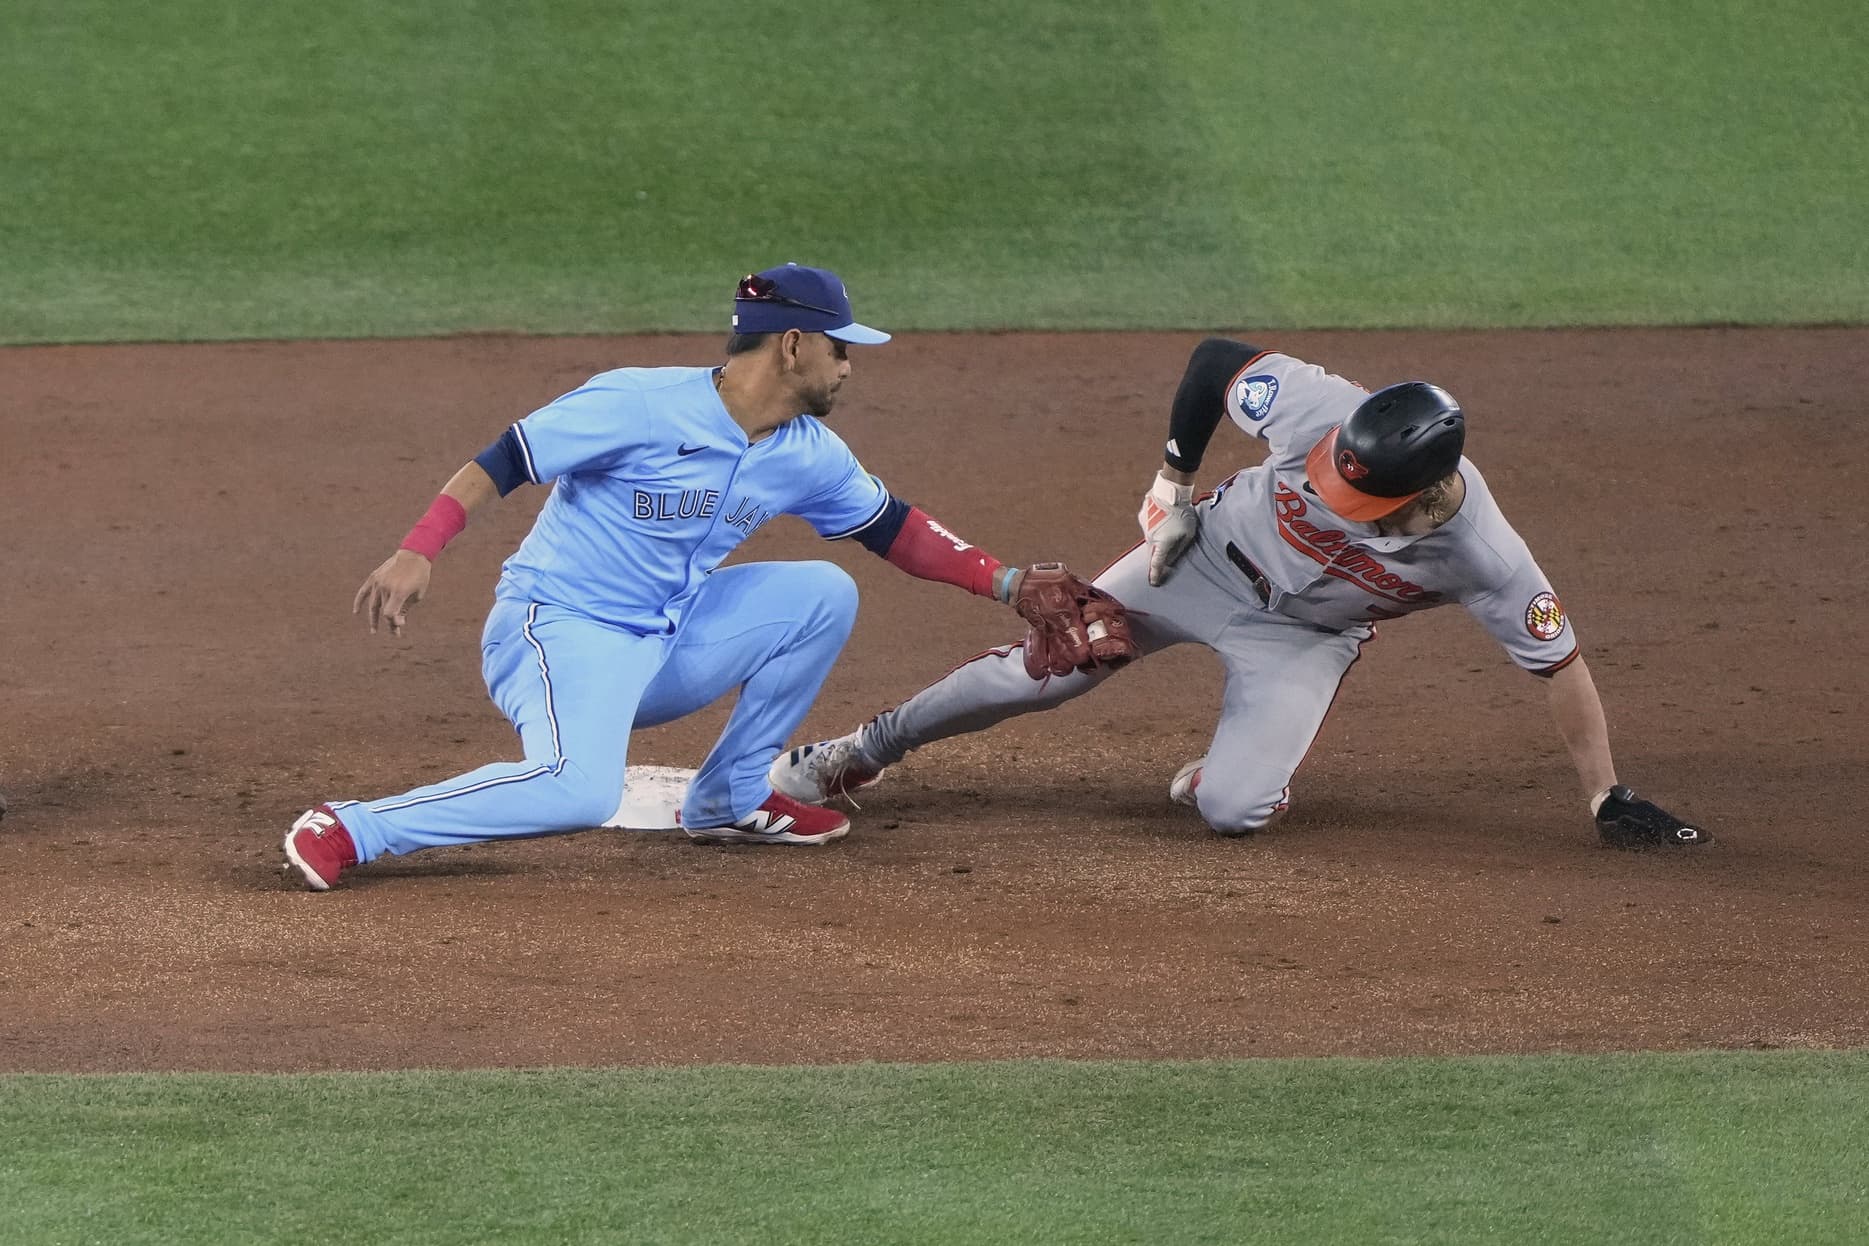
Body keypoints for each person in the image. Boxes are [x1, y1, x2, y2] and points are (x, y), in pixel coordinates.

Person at [282, 264, 1130, 891]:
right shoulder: (639, 403)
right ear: (792, 344)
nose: (849, 367)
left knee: (822, 593)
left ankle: (725, 799)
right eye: (841, 349)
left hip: (668, 641)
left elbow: (894, 529)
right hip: (559, 630)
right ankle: (356, 826)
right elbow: (506, 459)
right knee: (579, 791)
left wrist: (1007, 581)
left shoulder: (806, 452)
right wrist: (418, 548)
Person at [770, 337, 1709, 849]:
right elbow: (1217, 362)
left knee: (1230, 812)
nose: (1346, 507)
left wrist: (1605, 795)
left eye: (1369, 505)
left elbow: (1560, 665)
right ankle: (860, 751)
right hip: (1199, 561)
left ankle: (1238, 771)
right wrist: (1174, 487)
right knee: (1045, 666)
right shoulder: (1320, 409)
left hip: (1302, 638)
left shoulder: (1490, 560)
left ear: (1428, 494)